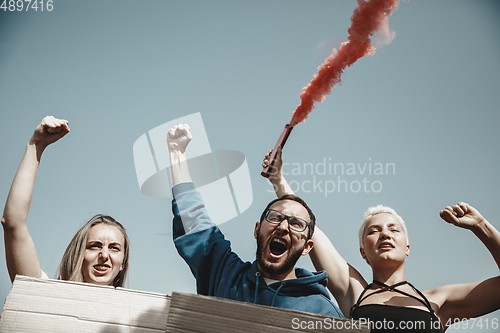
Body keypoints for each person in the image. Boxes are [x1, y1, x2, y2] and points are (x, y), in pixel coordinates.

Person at [263, 148, 500, 332]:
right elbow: (311, 228)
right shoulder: (354, 293)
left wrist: (481, 226)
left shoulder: (439, 301)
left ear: (407, 247)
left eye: (394, 229)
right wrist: (278, 181)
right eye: (373, 231)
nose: (385, 234)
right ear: (363, 251)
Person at [167, 124, 343, 317]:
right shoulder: (226, 275)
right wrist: (177, 153)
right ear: (257, 230)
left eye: (296, 224)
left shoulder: (324, 312)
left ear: (308, 246)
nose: (283, 227)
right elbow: (193, 220)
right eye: (275, 217)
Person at [2, 116, 130, 287]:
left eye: (114, 248)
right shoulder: (47, 295)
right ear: (78, 254)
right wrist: (36, 146)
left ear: (122, 263)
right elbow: (13, 223)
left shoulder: (135, 312)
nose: (104, 255)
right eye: (94, 246)